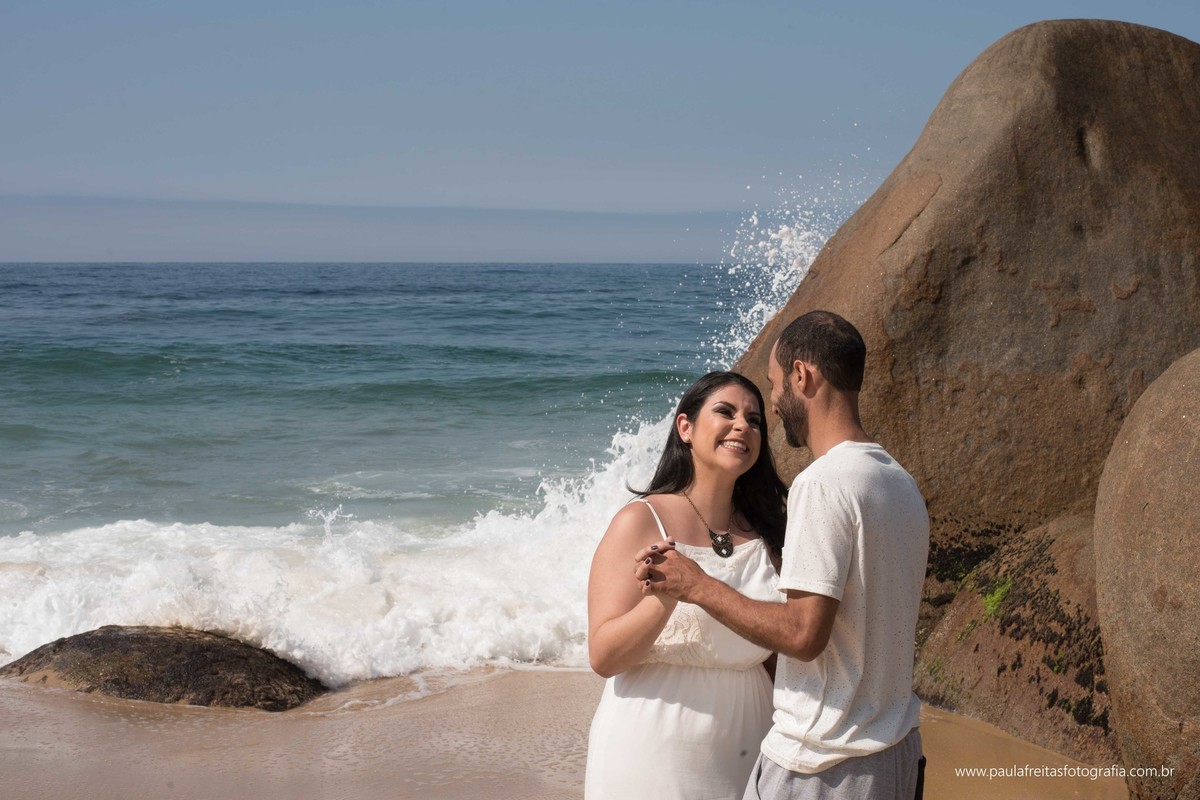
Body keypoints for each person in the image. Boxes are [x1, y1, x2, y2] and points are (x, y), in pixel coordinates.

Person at [637, 311, 930, 800]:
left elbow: (802, 634)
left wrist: (698, 585)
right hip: (896, 753)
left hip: (823, 763)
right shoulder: (900, 483)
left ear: (801, 375)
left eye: (774, 385)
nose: (773, 404)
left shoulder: (822, 484)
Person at [585, 371, 788, 800]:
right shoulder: (640, 520)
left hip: (753, 748)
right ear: (685, 428)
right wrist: (664, 598)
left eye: (754, 420)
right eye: (726, 412)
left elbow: (781, 650)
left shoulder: (770, 535)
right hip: (649, 751)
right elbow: (603, 656)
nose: (742, 426)